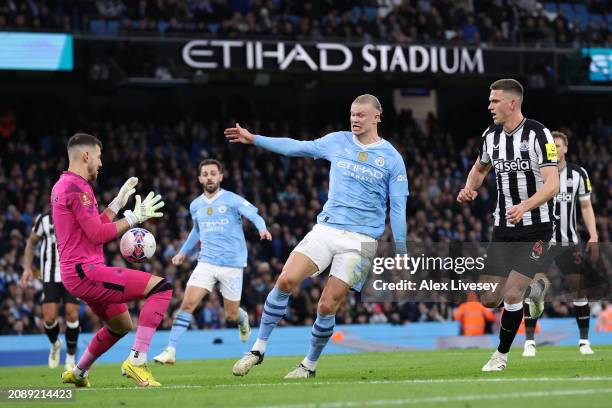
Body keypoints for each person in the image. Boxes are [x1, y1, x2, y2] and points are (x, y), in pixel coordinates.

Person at [225, 94, 408, 378]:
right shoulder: (338, 141)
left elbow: (397, 209)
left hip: (361, 241)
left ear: (377, 117)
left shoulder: (392, 159)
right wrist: (255, 139)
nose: (354, 119)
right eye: (352, 114)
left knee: (327, 304)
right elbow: (296, 148)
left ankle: (308, 365)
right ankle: (258, 349)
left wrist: (402, 251)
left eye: (361, 115)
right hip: (327, 228)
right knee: (285, 279)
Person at [51, 133, 170, 387]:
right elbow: (97, 234)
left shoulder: (66, 185)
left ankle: (79, 371)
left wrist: (117, 203)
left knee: (120, 324)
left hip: (77, 272)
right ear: (86, 156)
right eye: (99, 156)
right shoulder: (77, 187)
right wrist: (134, 218)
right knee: (162, 288)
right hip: (86, 271)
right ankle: (136, 361)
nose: (101, 163)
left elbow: (91, 229)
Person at [456, 79, 559, 371]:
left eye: (494, 101)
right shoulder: (491, 136)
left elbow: (552, 183)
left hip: (537, 228)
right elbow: (480, 167)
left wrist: (526, 205)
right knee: (488, 298)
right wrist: (470, 188)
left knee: (512, 293)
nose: (489, 106)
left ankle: (500, 356)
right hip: (503, 228)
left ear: (512, 103)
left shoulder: (540, 135)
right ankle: (536, 290)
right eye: (489, 101)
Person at [154, 159, 271, 365]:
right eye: (205, 174)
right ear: (200, 178)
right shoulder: (195, 205)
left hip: (232, 265)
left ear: (220, 177)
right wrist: (183, 252)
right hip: (206, 262)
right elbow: (197, 231)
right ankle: (170, 350)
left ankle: (242, 319)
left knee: (231, 316)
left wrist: (262, 228)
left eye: (213, 173)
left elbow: (254, 215)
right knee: (187, 304)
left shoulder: (232, 199)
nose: (209, 177)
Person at [523, 131, 598, 357]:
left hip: (568, 242)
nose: (554, 150)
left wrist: (593, 234)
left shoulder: (578, 174)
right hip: (542, 241)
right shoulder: (537, 171)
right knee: (533, 288)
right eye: (551, 146)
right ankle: (529, 342)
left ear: (565, 148)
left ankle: (584, 341)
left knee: (579, 289)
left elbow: (585, 207)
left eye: (557, 146)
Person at [21, 212, 81, 370]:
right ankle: (55, 344)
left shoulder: (77, 216)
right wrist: (27, 268)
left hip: (72, 274)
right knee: (48, 319)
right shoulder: (44, 219)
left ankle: (70, 357)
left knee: (72, 313)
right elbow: (31, 242)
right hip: (49, 276)